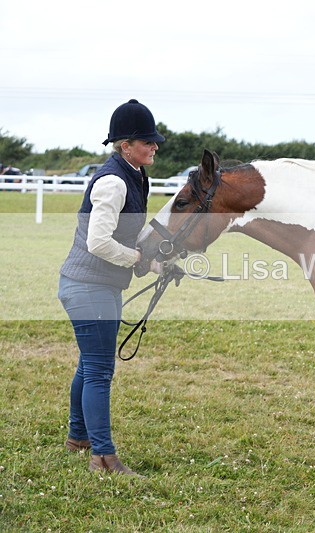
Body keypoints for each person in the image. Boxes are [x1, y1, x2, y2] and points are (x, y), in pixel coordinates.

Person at [58, 99, 163, 476]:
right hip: (88, 286)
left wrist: (154, 261)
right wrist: (139, 260)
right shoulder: (113, 181)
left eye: (154, 141)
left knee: (89, 365)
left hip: (95, 285)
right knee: (100, 370)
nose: (154, 147)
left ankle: (78, 437)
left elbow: (128, 234)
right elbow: (99, 243)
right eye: (147, 142)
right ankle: (102, 457)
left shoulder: (133, 174)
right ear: (125, 145)